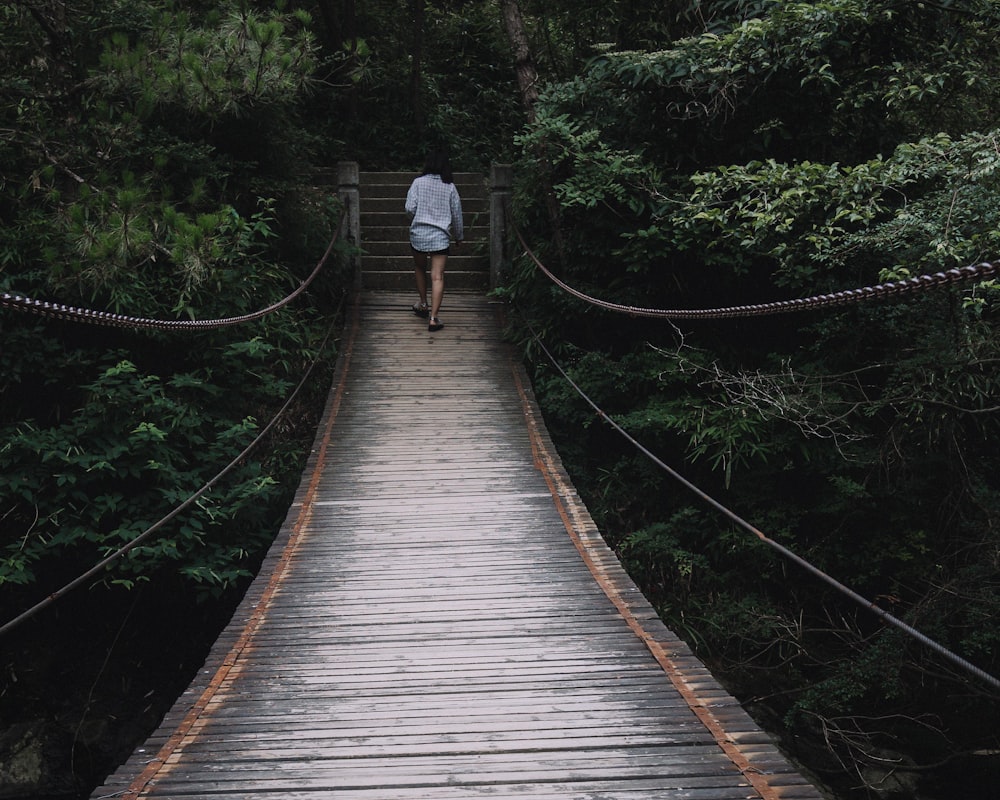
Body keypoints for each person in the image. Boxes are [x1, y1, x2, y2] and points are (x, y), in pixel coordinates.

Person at [405, 150, 463, 332]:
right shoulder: (450, 187)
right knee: (437, 276)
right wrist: (459, 236)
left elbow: (409, 208)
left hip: (419, 234)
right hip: (440, 236)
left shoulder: (417, 183)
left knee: (420, 267)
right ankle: (434, 318)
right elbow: (457, 214)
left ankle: (423, 303)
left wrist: (417, 218)